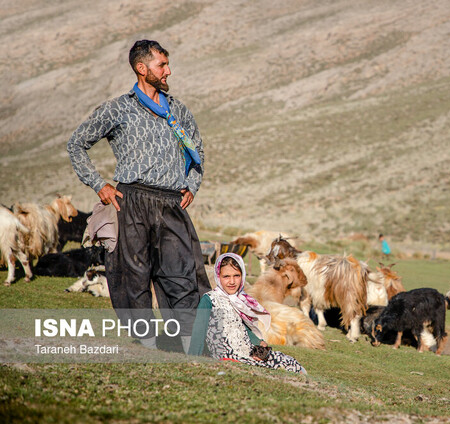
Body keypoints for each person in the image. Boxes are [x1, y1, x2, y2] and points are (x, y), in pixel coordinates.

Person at [67, 40, 211, 353]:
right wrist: (99, 184)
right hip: (130, 200)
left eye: (167, 64)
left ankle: (190, 346)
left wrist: (191, 185)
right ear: (141, 68)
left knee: (183, 274)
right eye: (162, 65)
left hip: (172, 203)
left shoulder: (178, 110)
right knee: (133, 276)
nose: (168, 71)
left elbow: (197, 150)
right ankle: (145, 345)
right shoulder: (118, 108)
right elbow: (76, 144)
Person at [188, 253, 306, 374]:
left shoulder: (240, 300)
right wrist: (192, 360)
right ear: (218, 277)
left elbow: (243, 328)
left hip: (247, 350)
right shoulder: (209, 300)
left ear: (242, 275)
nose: (232, 281)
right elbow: (199, 331)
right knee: (281, 366)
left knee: (291, 362)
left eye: (237, 276)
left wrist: (258, 342)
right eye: (226, 276)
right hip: (229, 354)